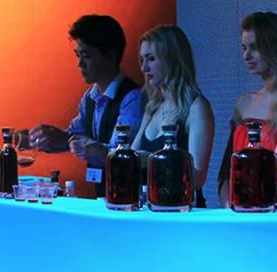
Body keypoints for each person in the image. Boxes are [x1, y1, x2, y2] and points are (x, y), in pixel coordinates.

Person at [30, 15, 143, 196]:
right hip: (102, 194)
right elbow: (75, 135)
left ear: (110, 56)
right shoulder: (89, 98)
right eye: (78, 55)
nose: (80, 63)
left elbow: (121, 155)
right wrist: (48, 139)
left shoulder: (132, 98)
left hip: (127, 196)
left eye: (86, 55)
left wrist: (78, 144)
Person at [218, 12, 277, 208]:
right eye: (244, 48)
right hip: (240, 213)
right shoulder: (243, 104)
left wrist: (263, 207)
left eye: (254, 47)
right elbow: (226, 173)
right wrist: (230, 207)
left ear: (274, 48)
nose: (246, 56)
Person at [132, 25, 214, 208]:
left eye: (151, 59)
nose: (144, 67)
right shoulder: (152, 109)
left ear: (172, 58)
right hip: (151, 209)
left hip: (182, 211)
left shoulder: (196, 107)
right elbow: (132, 158)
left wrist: (151, 160)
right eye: (142, 60)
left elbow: (197, 178)